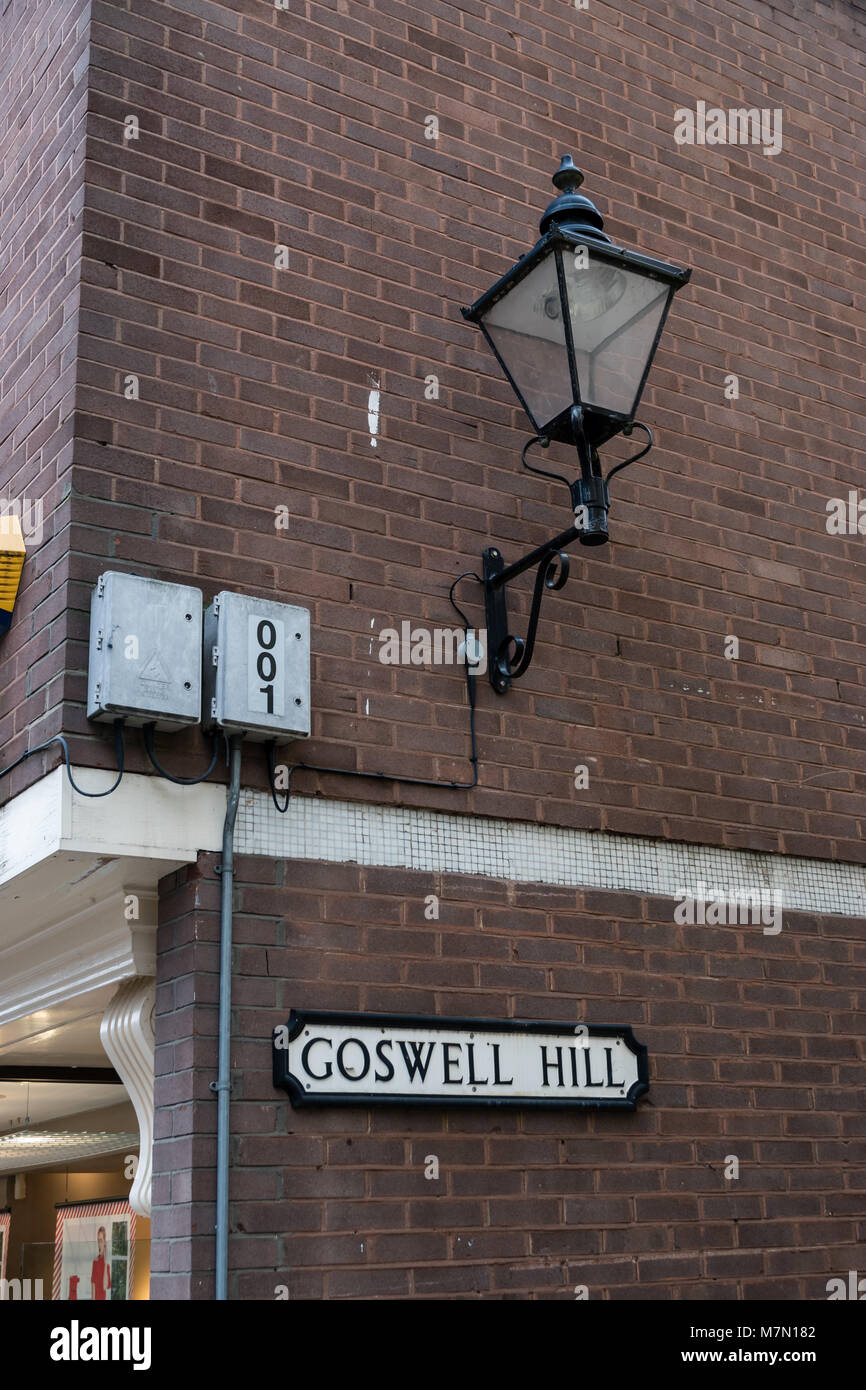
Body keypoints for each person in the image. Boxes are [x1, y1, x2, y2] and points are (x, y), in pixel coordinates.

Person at [90, 1226, 110, 1300]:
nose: (99, 1244)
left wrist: (105, 1263)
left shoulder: (106, 1263)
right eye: (98, 1241)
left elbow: (105, 1286)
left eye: (101, 1241)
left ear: (105, 1242)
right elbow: (93, 1285)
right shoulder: (95, 1261)